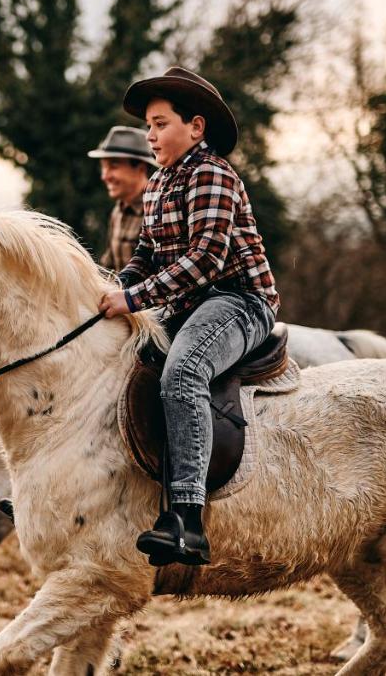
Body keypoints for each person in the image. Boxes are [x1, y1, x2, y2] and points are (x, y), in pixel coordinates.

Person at [98, 67, 280, 567]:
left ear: (195, 128)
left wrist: (135, 301)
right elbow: (146, 255)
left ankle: (187, 521)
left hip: (238, 301)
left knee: (183, 374)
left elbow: (205, 261)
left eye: (160, 124)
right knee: (112, 355)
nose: (151, 136)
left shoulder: (212, 175)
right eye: (149, 127)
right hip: (188, 303)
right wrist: (112, 287)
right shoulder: (157, 186)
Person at [87, 126, 158, 271]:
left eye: (113, 166)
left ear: (141, 168)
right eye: (103, 167)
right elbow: (109, 267)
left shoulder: (158, 210)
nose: (105, 176)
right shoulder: (117, 211)